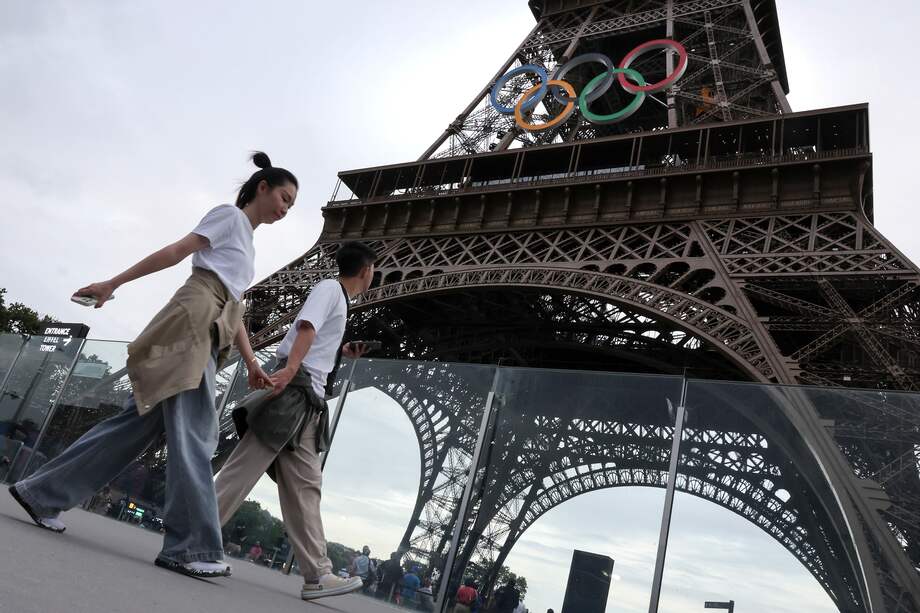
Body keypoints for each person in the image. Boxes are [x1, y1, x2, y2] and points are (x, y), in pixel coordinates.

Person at [7, 152, 294, 579]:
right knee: (198, 431)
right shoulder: (229, 218)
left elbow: (234, 309)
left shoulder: (247, 241)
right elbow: (178, 251)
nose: (286, 208)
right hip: (193, 323)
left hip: (211, 325)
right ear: (262, 187)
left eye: (292, 205)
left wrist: (251, 361)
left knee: (131, 428)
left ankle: (42, 493)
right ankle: (189, 546)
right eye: (284, 197)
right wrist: (113, 283)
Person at [213, 241, 378, 600]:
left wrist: (342, 351)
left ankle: (317, 573)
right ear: (366, 270)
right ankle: (196, 534)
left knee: (293, 483)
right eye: (373, 271)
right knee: (261, 473)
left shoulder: (336, 296)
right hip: (295, 393)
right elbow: (305, 327)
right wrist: (289, 369)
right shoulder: (330, 289)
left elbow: (314, 336)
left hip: (303, 398)